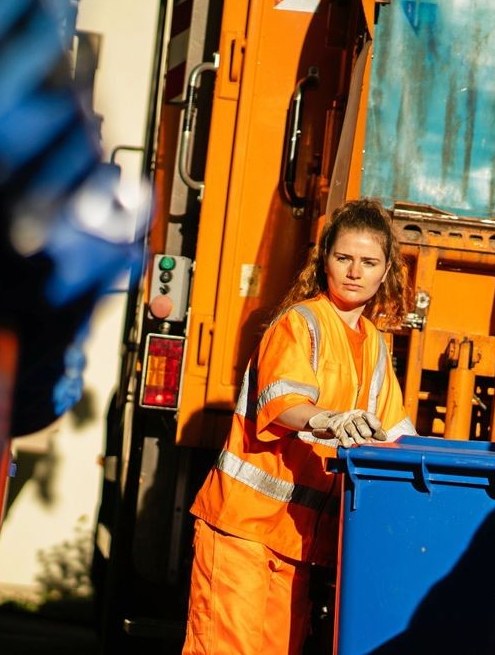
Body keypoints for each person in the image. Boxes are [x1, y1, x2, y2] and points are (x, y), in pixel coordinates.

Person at [182, 198, 417, 655]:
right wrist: (325, 418)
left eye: (368, 262)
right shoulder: (300, 322)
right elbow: (283, 404)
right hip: (242, 529)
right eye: (343, 258)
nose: (354, 271)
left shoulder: (374, 346)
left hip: (298, 541)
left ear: (386, 271)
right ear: (324, 259)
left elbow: (397, 435)